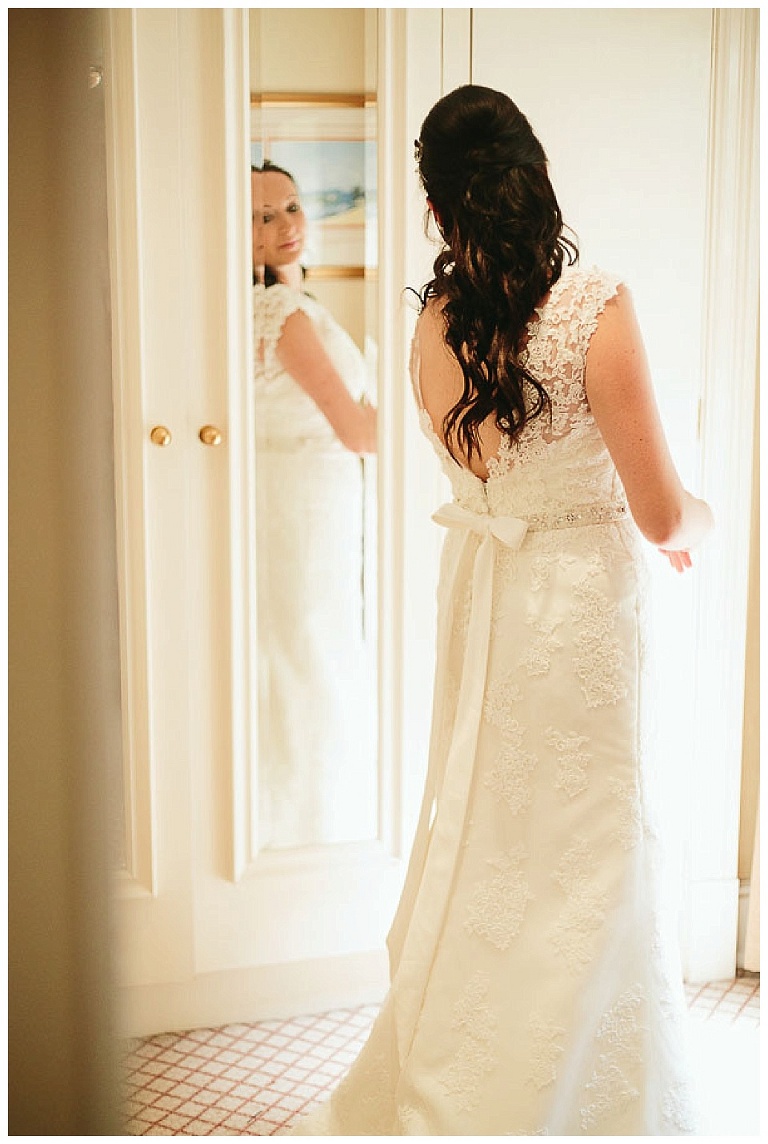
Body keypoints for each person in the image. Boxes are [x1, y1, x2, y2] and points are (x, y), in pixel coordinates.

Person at [289, 85, 714, 1134]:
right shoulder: (593, 306)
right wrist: (703, 521)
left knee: (490, 841)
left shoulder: (430, 323)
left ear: (438, 206)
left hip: (484, 600)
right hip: (580, 615)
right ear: (537, 173)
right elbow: (663, 511)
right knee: (586, 853)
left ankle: (470, 1072)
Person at [252, 161, 378, 849]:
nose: (286, 225)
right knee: (311, 654)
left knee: (297, 652)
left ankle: (294, 824)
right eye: (262, 216)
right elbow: (357, 431)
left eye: (292, 205)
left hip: (296, 500)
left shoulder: (284, 305)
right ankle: (310, 830)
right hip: (304, 506)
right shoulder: (283, 313)